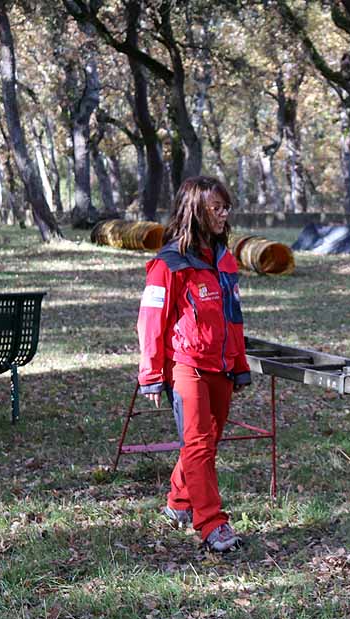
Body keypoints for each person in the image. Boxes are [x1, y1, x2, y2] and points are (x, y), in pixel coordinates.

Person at [137, 176, 251, 552]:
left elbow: (233, 316)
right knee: (199, 443)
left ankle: (178, 501)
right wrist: (152, 375)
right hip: (186, 365)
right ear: (195, 211)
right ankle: (212, 525)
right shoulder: (167, 264)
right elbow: (151, 321)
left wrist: (238, 362)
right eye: (215, 208)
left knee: (207, 441)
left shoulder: (224, 258)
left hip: (221, 365)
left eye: (225, 207)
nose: (223, 214)